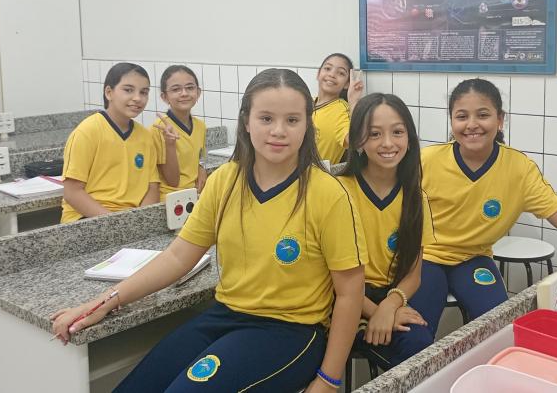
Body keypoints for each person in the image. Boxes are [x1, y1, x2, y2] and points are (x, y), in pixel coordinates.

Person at [52, 69, 368, 392]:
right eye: (266, 118)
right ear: (246, 121)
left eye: (292, 120)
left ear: (307, 126)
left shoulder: (327, 194)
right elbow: (177, 257)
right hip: (225, 315)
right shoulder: (225, 180)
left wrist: (329, 379)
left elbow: (349, 292)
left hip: (291, 331)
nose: (278, 131)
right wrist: (104, 302)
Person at [411, 78, 557, 334]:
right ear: (451, 121)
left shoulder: (518, 168)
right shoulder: (427, 160)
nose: (472, 124)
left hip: (473, 259)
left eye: (482, 115)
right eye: (462, 116)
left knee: (501, 327)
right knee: (415, 332)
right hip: (425, 258)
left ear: (500, 119)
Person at [337, 93, 436, 369]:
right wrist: (374, 313)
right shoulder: (338, 191)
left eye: (397, 132)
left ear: (410, 138)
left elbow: (413, 275)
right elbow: (326, 276)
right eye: (375, 134)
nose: (388, 143)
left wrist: (390, 306)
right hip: (340, 300)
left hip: (388, 297)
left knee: (422, 348)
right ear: (357, 141)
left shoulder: (416, 198)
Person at [60, 62, 160, 223]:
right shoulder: (88, 131)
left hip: (132, 219)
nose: (137, 98)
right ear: (109, 92)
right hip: (88, 219)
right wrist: (115, 223)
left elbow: (152, 187)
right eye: (128, 90)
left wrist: (141, 221)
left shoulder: (145, 137)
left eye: (144, 92)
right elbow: (72, 192)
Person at [150, 65, 208, 199]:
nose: (184, 93)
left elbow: (198, 157)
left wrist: (201, 167)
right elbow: (172, 181)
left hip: (194, 194)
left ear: (198, 92)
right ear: (165, 97)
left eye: (190, 88)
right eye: (176, 89)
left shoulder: (200, 126)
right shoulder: (159, 128)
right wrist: (170, 144)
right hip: (170, 199)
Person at [313, 53, 364, 165]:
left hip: (316, 174)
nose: (332, 74)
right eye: (327, 68)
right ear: (318, 74)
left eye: (341, 73)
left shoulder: (342, 110)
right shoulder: (305, 103)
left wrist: (353, 102)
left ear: (347, 84)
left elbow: (355, 141)